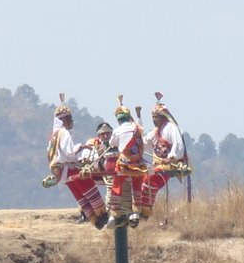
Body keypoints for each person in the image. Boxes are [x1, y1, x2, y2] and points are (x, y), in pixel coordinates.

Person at [47, 95, 108, 229]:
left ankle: (93, 218)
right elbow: (69, 152)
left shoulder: (53, 135)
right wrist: (82, 147)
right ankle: (102, 216)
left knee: (81, 196)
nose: (71, 121)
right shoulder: (63, 133)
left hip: (62, 173)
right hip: (71, 169)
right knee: (89, 188)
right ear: (63, 120)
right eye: (69, 118)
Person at [136, 93, 185, 224]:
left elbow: (178, 145)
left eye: (156, 117)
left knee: (149, 177)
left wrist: (171, 158)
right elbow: (142, 143)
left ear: (163, 117)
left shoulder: (171, 128)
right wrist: (138, 119)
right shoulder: (154, 132)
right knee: (139, 177)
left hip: (168, 166)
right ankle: (141, 209)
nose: (153, 119)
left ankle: (144, 210)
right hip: (156, 165)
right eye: (152, 117)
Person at [106, 97, 147, 228]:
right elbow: (142, 129)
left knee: (116, 185)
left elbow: (112, 143)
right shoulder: (136, 128)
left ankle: (114, 213)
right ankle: (136, 212)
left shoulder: (117, 131)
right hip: (138, 164)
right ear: (129, 117)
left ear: (118, 119)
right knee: (137, 184)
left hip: (123, 164)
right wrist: (138, 116)